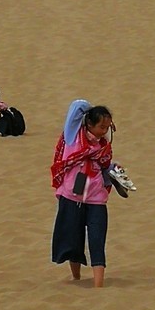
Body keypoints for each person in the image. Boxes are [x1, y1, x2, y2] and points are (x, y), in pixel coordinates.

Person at [50, 101, 117, 287]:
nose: (105, 131)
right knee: (73, 240)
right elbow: (76, 105)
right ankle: (76, 277)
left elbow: (104, 167)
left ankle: (98, 285)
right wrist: (92, 110)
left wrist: (114, 170)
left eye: (107, 127)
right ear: (89, 124)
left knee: (97, 240)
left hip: (96, 198)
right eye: (101, 126)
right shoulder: (73, 137)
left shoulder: (103, 147)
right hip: (72, 197)